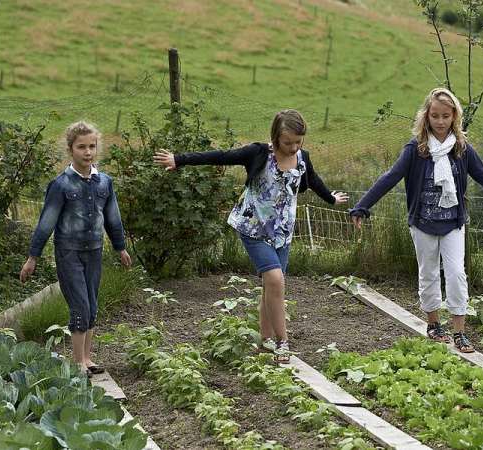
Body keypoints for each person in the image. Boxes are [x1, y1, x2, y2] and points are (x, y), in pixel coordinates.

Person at [153, 109, 348, 363]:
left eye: (298, 142)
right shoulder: (258, 153)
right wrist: (179, 159)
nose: (293, 147)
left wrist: (331, 198)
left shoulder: (302, 158)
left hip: (282, 233)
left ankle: (265, 341)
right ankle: (283, 342)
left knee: (271, 286)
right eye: (287, 142)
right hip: (253, 228)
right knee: (276, 280)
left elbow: (313, 180)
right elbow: (221, 156)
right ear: (275, 137)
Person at [349, 87, 483, 353]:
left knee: (456, 273)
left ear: (454, 116)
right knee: (429, 273)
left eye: (446, 116)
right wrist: (362, 207)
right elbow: (390, 177)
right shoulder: (415, 149)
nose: (440, 121)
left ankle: (460, 332)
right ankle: (434, 325)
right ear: (426, 116)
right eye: (435, 115)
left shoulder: (462, 149)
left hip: (453, 223)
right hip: (422, 223)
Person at [21, 121, 132, 376]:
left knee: (91, 304)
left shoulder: (104, 183)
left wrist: (120, 248)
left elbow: (113, 218)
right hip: (69, 253)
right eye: (81, 147)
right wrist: (32, 257)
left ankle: (87, 358)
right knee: (80, 305)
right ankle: (77, 362)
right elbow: (46, 223)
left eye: (92, 146)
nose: (88, 152)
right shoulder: (61, 185)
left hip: (94, 251)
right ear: (71, 149)